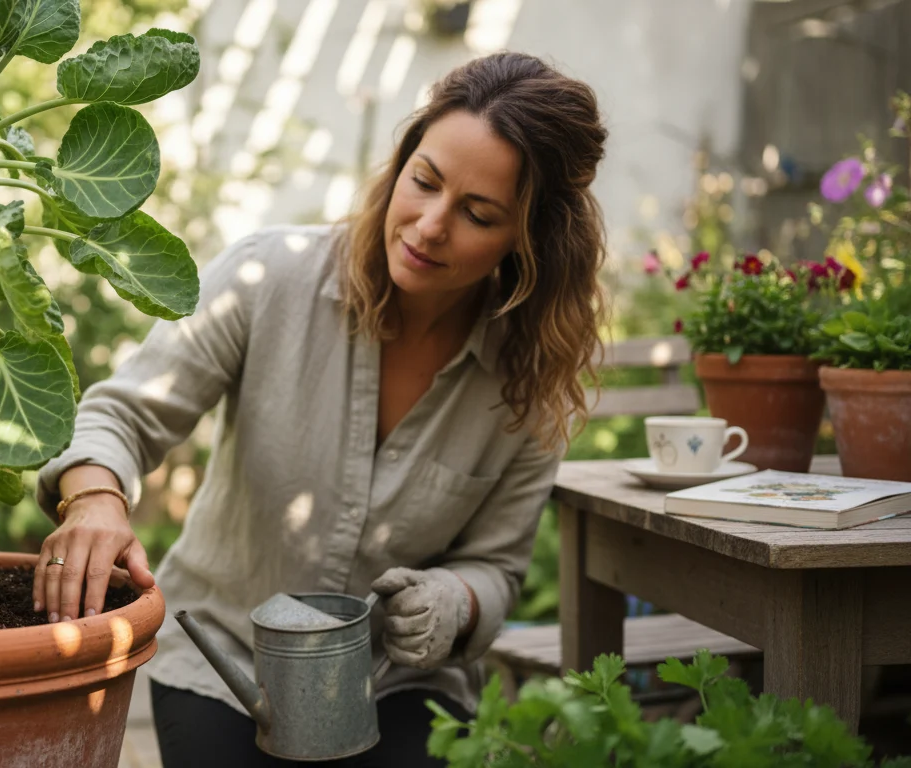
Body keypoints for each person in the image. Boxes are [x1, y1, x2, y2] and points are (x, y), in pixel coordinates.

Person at [34, 51, 609, 767]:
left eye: (478, 214)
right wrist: (94, 498)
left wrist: (451, 601)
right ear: (401, 163)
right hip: (222, 666)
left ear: (530, 240)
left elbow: (498, 569)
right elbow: (123, 414)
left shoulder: (531, 382)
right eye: (423, 181)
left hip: (396, 682)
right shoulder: (266, 277)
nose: (429, 226)